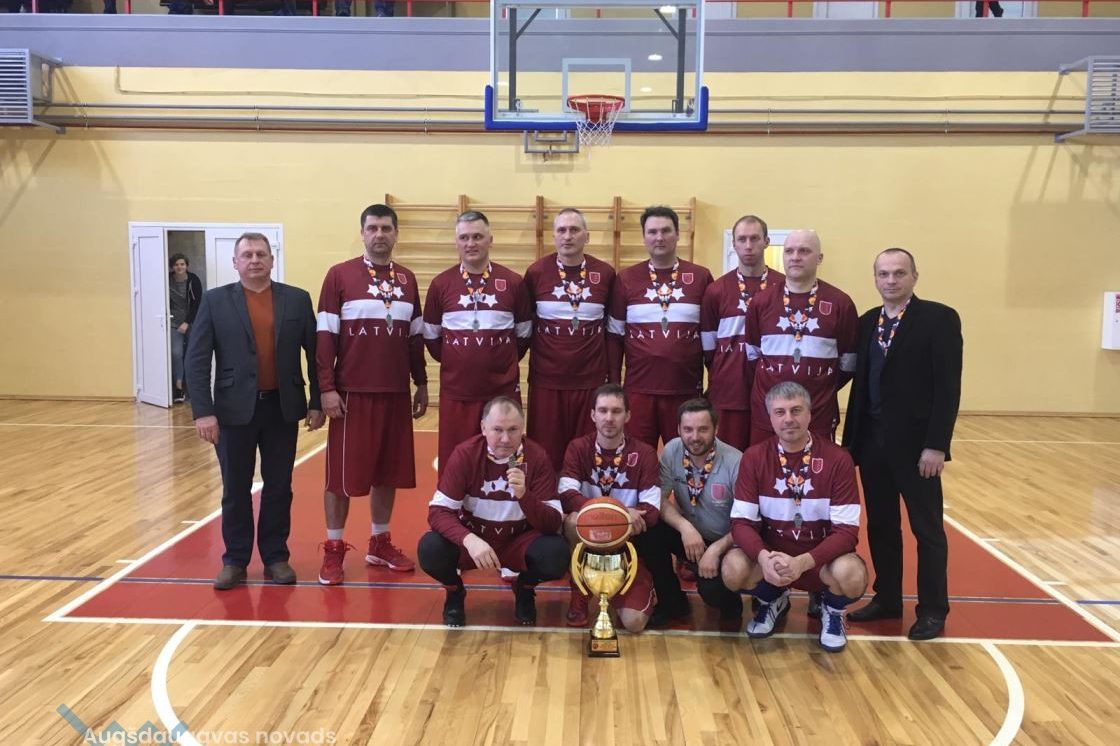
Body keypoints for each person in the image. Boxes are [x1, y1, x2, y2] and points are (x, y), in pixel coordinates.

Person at [186, 233, 324, 590]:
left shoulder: (297, 299)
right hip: (232, 413)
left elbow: (316, 355)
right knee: (235, 489)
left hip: (282, 409)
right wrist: (203, 411)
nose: (254, 260)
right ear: (235, 262)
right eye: (247, 255)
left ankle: (276, 557)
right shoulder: (215, 301)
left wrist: (316, 401)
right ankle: (235, 560)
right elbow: (196, 359)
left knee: (279, 487)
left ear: (271, 260)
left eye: (261, 254)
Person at [842, 248, 963, 641]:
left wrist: (936, 445)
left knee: (927, 530)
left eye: (899, 273)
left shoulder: (939, 319)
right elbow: (857, 384)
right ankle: (888, 598)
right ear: (875, 279)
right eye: (884, 274)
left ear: (914, 276)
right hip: (872, 443)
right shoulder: (866, 322)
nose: (891, 280)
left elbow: (948, 387)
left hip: (918, 449)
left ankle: (932, 609)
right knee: (881, 525)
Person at [314, 204, 428, 586]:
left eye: (386, 228)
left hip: (395, 393)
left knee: (387, 473)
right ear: (362, 233)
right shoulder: (340, 275)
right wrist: (326, 388)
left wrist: (421, 382)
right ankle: (333, 548)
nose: (380, 234)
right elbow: (325, 337)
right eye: (373, 228)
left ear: (396, 234)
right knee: (341, 479)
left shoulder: (408, 279)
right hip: (352, 395)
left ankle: (379, 543)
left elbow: (414, 338)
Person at [723, 382, 866, 652]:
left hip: (820, 562)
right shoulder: (754, 457)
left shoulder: (838, 459)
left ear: (810, 414)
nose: (788, 419)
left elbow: (847, 532)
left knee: (852, 574)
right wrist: (764, 558)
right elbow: (741, 523)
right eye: (780, 412)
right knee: (732, 568)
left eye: (796, 410)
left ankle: (832, 609)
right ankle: (772, 599)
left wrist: (803, 562)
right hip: (773, 560)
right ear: (770, 418)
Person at [418, 397, 568, 627]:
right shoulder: (465, 455)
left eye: (513, 430)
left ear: (523, 428)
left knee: (557, 554)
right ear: (483, 428)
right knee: (430, 549)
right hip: (477, 538)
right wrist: (469, 540)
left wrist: (524, 495)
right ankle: (454, 592)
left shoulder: (537, 457)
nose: (505, 439)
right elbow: (438, 512)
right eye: (497, 430)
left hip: (518, 541)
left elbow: (553, 522)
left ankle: (525, 588)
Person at [423, 210, 532, 472]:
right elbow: (432, 338)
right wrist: (459, 362)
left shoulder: (513, 283)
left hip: (502, 392)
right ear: (456, 242)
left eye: (477, 237)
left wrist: (498, 362)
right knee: (456, 464)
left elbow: (524, 335)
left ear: (490, 240)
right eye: (464, 237)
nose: (470, 243)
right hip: (457, 392)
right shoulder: (441, 284)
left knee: (505, 462)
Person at [607, 206, 713, 448]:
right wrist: (614, 385)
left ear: (678, 235)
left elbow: (710, 338)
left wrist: (714, 384)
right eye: (652, 232)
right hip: (638, 391)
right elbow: (614, 337)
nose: (659, 237)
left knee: (686, 458)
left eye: (666, 231)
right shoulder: (626, 279)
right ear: (644, 237)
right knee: (637, 457)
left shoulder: (700, 277)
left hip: (685, 391)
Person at [557, 383, 660, 631]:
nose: (609, 418)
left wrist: (610, 521)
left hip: (627, 548)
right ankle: (580, 593)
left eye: (616, 411)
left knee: (634, 624)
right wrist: (618, 514)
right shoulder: (578, 448)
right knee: (572, 521)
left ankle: (631, 587)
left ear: (628, 415)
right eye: (603, 411)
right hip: (588, 542)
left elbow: (652, 511)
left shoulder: (644, 453)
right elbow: (566, 495)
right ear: (593, 415)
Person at [745, 229, 857, 445]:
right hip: (768, 413)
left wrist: (819, 384)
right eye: (789, 251)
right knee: (766, 464)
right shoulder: (761, 302)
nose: (795, 257)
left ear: (820, 258)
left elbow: (848, 364)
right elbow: (752, 358)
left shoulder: (840, 303)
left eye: (804, 251)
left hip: (819, 412)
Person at [524, 208, 616, 471]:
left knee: (587, 457)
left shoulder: (605, 274)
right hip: (547, 382)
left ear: (587, 236)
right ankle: (548, 499)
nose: (568, 236)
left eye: (574, 230)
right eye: (561, 230)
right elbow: (525, 328)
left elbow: (612, 331)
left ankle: (584, 499)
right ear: (553, 236)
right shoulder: (536, 273)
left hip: (590, 382)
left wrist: (612, 379)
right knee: (545, 457)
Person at [643, 398, 744, 626]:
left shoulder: (736, 462)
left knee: (712, 592)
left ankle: (730, 602)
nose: (695, 437)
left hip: (724, 541)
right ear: (679, 429)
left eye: (703, 429)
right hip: (689, 535)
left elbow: (747, 521)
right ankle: (672, 603)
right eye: (688, 429)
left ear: (716, 429)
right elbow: (658, 499)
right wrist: (684, 527)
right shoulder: (672, 450)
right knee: (649, 532)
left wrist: (716, 550)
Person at [701, 215, 783, 450]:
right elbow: (709, 348)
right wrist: (724, 374)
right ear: (733, 244)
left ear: (766, 241)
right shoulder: (716, 290)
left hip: (772, 389)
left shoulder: (783, 286)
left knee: (767, 458)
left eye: (755, 238)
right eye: (742, 239)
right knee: (728, 458)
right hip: (729, 391)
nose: (748, 245)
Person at [168, 253, 202, 404]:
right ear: (172, 266)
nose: (179, 267)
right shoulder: (167, 279)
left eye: (182, 264)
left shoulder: (193, 280)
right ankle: (178, 387)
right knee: (176, 354)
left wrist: (187, 322)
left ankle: (191, 389)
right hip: (173, 322)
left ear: (186, 265)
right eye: (176, 264)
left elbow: (197, 303)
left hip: (191, 322)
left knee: (191, 355)